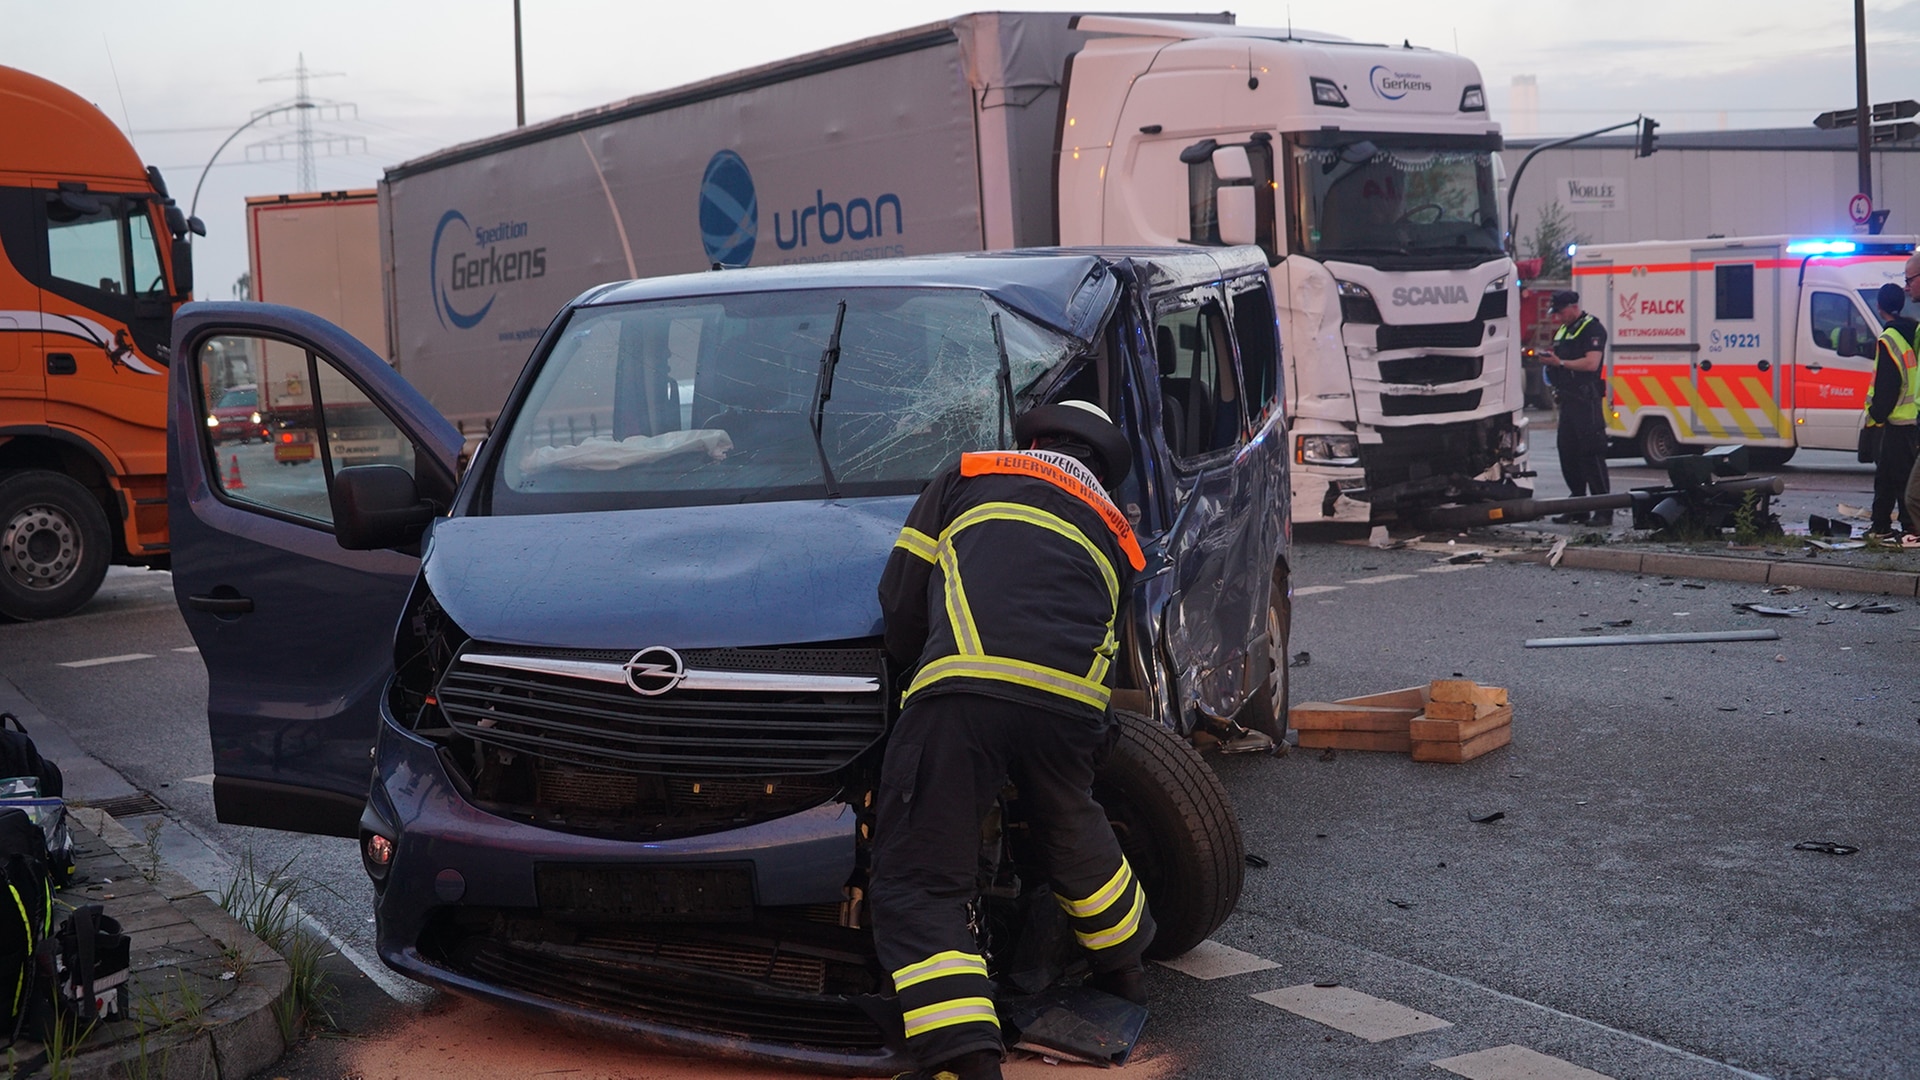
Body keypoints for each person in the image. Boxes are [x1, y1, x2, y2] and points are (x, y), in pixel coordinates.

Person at [871, 401, 1156, 1080]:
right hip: (1070, 710)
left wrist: (914, 669)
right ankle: (1125, 968)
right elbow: (1113, 646)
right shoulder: (1120, 532)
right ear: (1100, 465)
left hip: (965, 692)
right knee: (1073, 830)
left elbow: (902, 598)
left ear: (1033, 439)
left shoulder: (968, 473)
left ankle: (962, 1055)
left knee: (921, 879)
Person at [1544, 290, 1611, 524]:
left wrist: (1560, 362)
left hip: (1586, 401)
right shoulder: (1565, 330)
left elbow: (1592, 363)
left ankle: (1604, 509)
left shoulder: (1592, 328)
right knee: (1568, 453)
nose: (1558, 317)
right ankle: (1578, 506)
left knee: (1591, 454)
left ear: (1573, 307)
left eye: (1561, 312)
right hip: (1568, 401)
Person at [1864, 281, 1918, 538]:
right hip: (1909, 418)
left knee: (1898, 478)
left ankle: (1909, 527)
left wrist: (1876, 414)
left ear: (1879, 306)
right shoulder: (1912, 332)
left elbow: (1887, 383)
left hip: (1896, 419)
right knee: (1886, 475)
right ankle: (1880, 525)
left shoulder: (1889, 339)